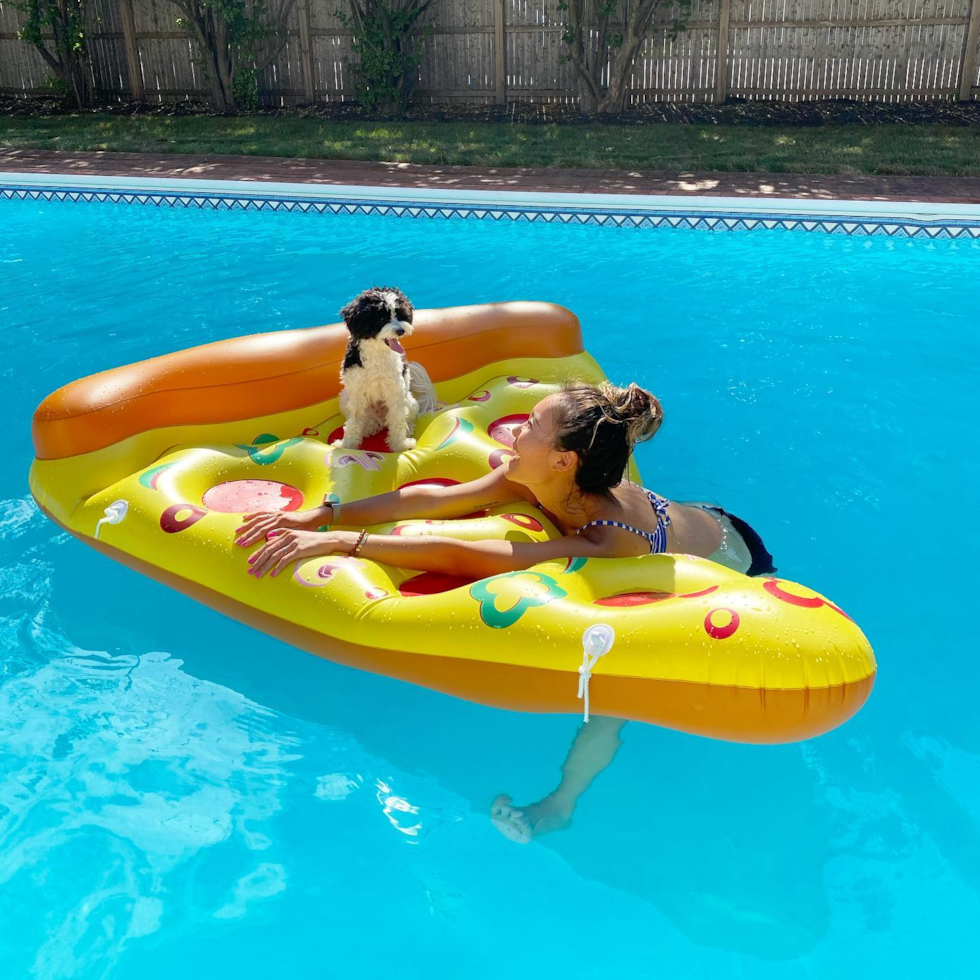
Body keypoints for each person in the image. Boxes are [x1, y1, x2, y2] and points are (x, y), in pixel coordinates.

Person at [234, 380, 775, 580]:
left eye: (532, 427)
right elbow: (437, 499)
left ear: (565, 460)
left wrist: (343, 543)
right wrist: (321, 513)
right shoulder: (540, 477)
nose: (515, 431)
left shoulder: (608, 540)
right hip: (691, 508)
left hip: (732, 549)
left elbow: (482, 557)